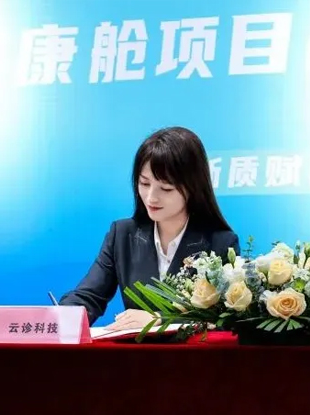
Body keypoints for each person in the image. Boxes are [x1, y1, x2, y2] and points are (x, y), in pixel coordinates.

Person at [60, 127, 240, 329]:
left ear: (193, 187)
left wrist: (160, 319)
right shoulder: (122, 235)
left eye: (166, 188)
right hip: (137, 350)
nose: (151, 197)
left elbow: (225, 317)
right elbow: (89, 296)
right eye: (144, 184)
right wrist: (59, 319)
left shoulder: (220, 243)